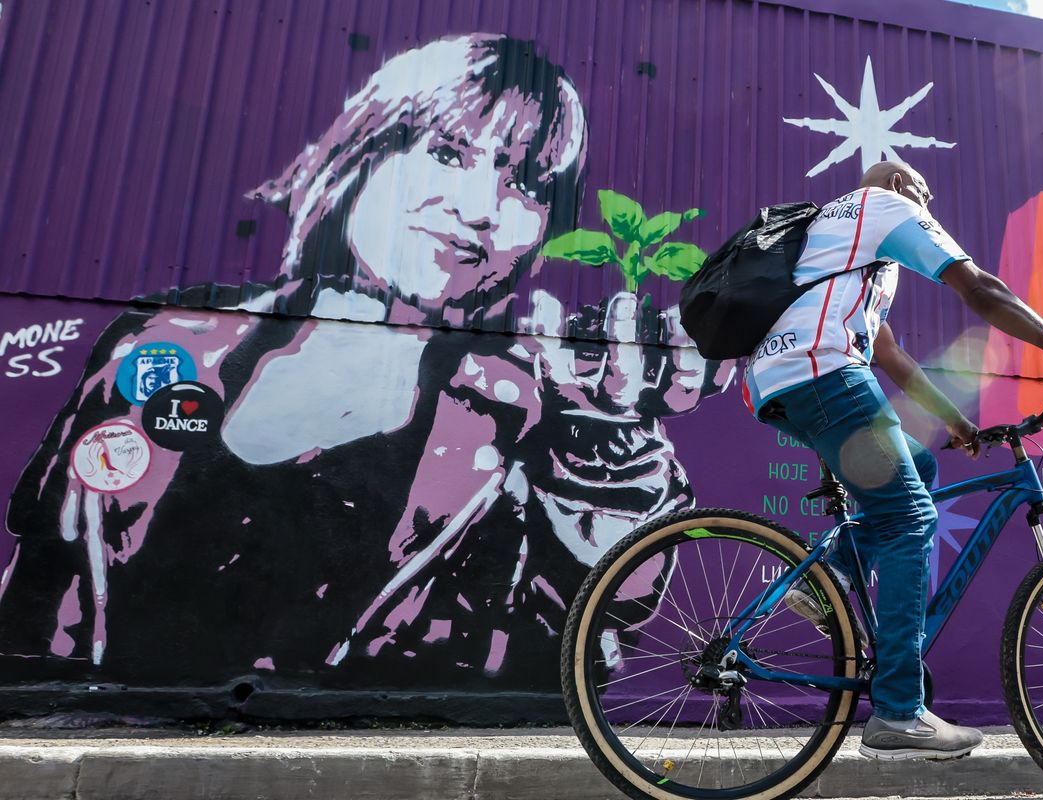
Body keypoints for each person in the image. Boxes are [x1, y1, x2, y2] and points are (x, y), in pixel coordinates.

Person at [0, 34, 728, 690]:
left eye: (526, 183)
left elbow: (582, 642)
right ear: (364, 154)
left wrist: (608, 455)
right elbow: (45, 577)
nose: (482, 206)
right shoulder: (164, 343)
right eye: (446, 153)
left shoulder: (533, 407)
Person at [745, 161, 1043, 761]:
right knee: (911, 520)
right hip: (824, 372)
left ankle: (829, 578)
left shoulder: (843, 243)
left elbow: (893, 357)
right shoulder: (886, 207)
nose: (929, 205)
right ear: (897, 186)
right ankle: (898, 709)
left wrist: (955, 422)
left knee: (917, 469)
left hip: (780, 381)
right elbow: (981, 289)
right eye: (924, 193)